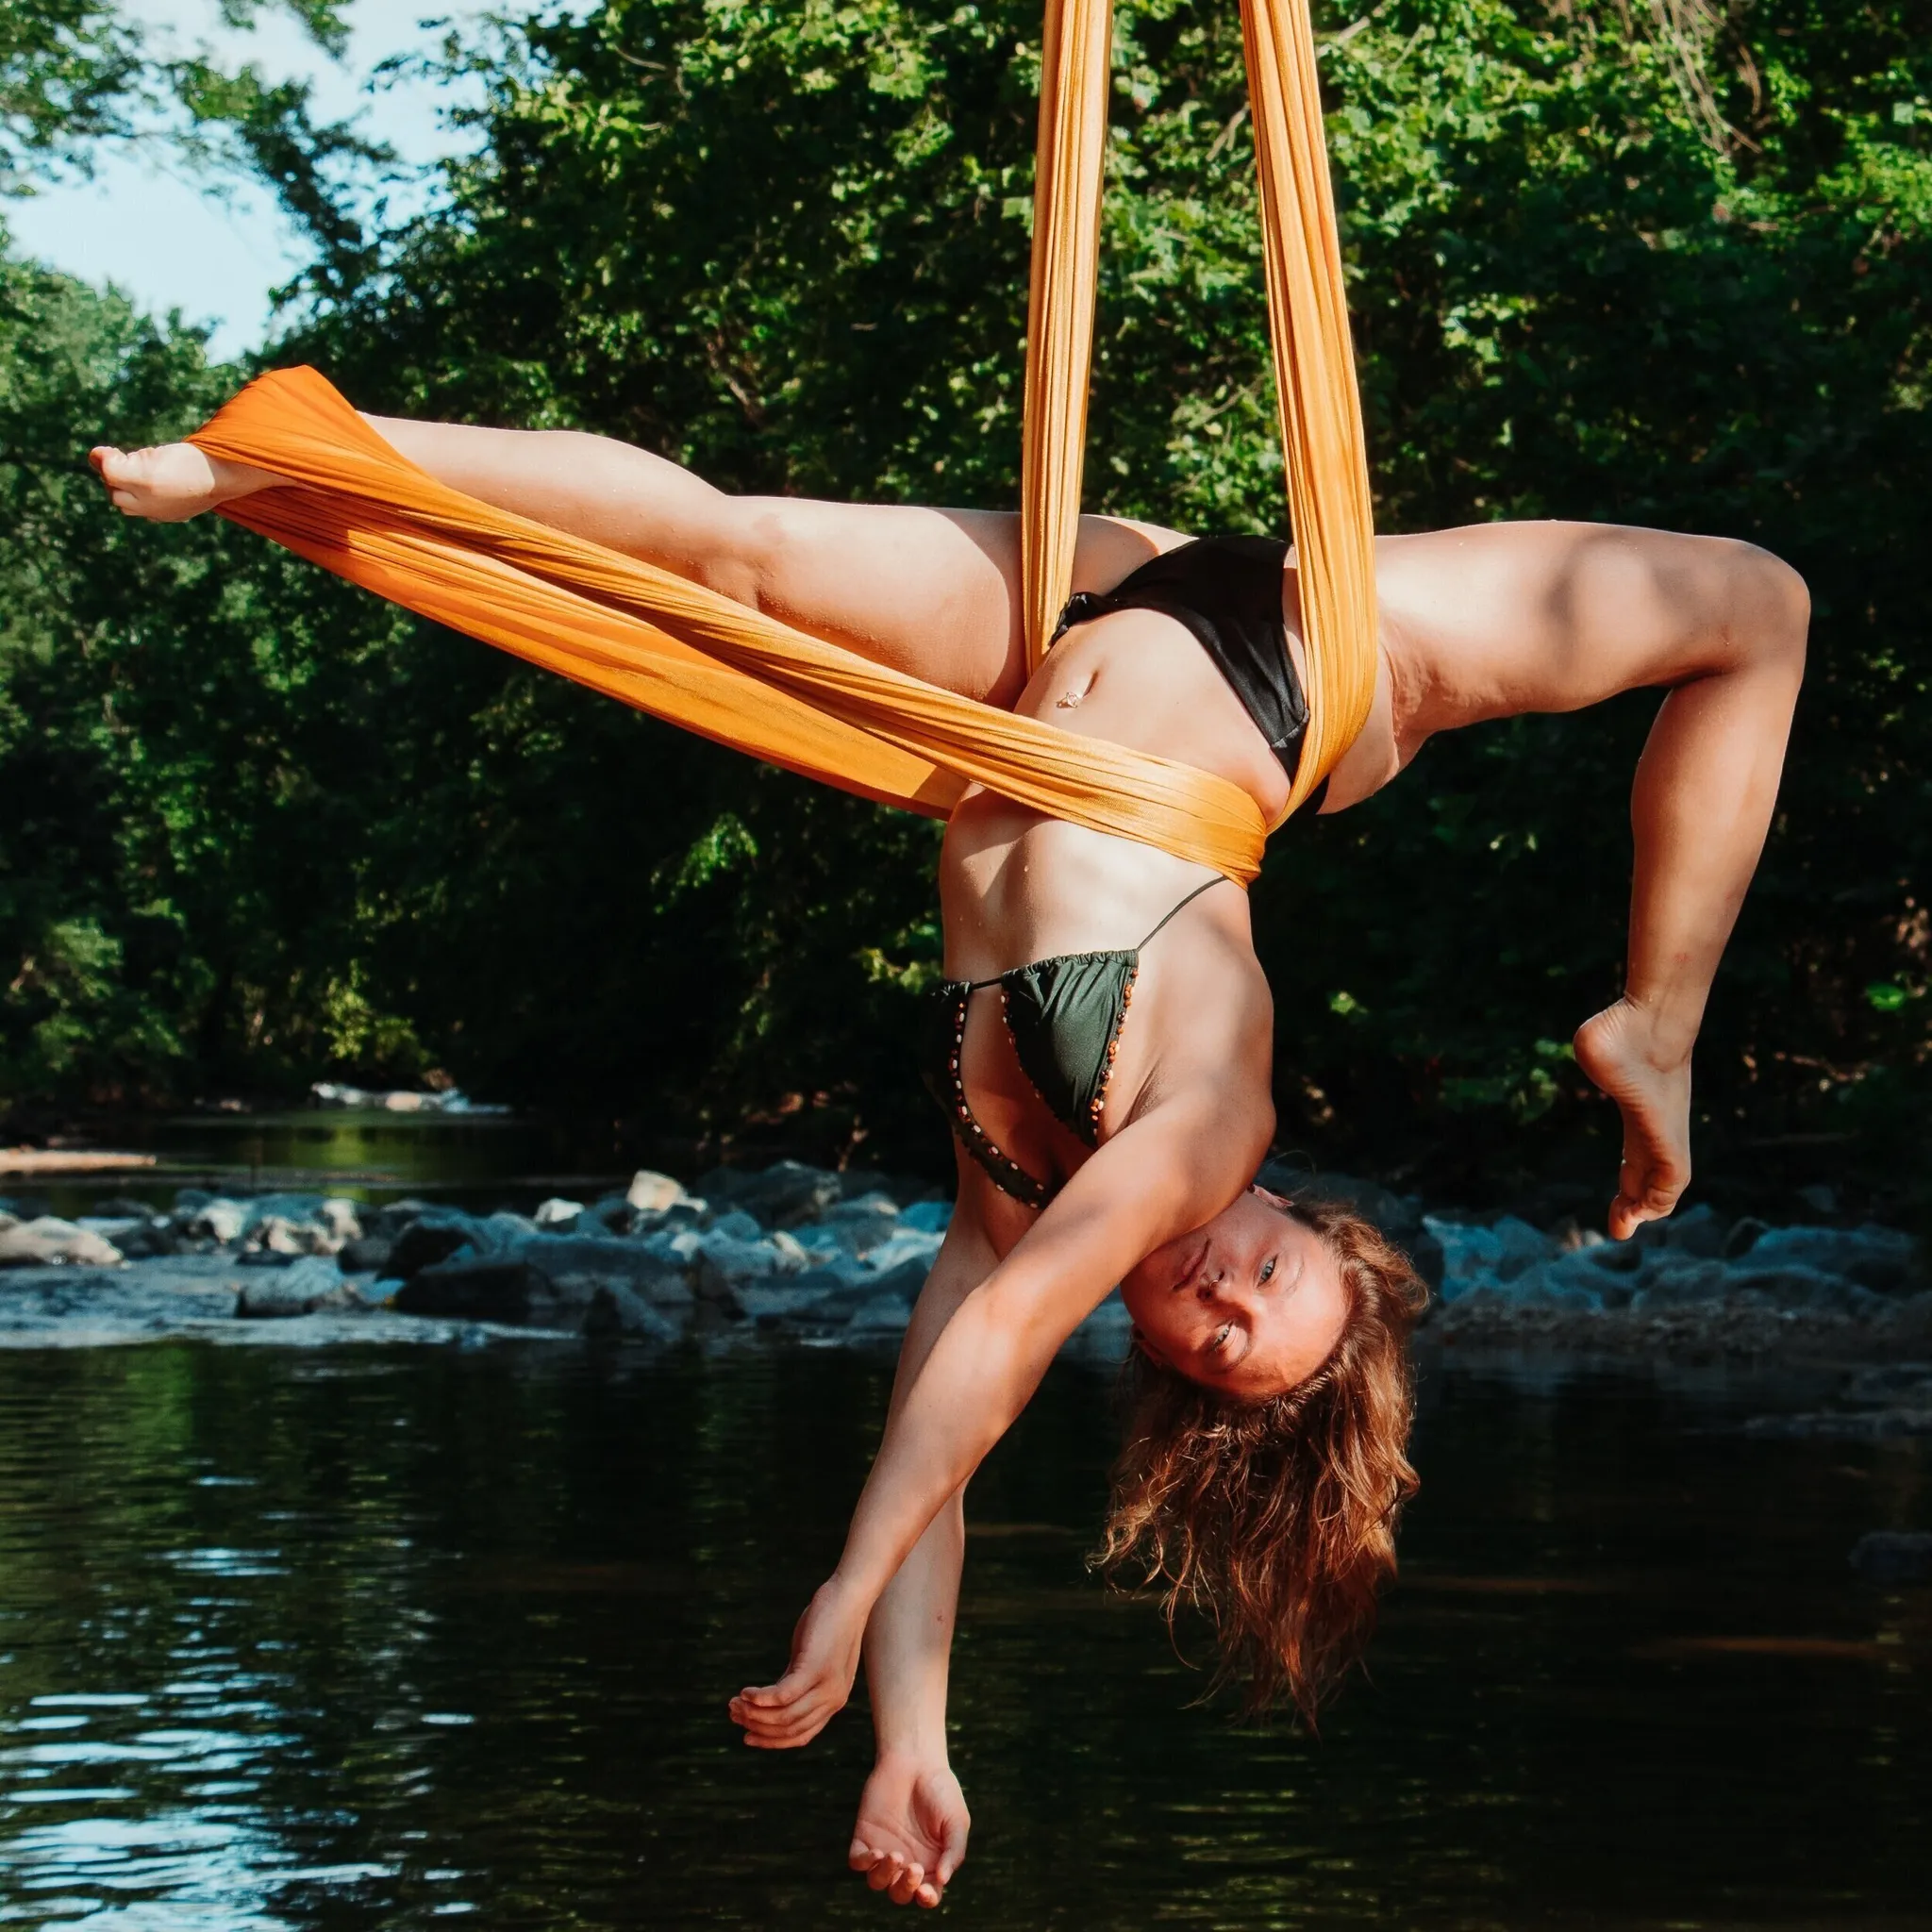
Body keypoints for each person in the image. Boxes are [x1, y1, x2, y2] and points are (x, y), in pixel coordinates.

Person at [91, 418, 1807, 1907]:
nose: (1221, 1287)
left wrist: (909, 1737)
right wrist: (838, 1592)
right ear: (1306, 1220)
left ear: (1153, 1344)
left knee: (736, 558)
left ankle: (271, 473)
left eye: (1212, 1334)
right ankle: (1656, 1023)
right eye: (1271, 1282)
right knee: (1759, 610)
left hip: (1050, 666)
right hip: (1304, 657)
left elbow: (949, 1442)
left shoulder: (1017, 1194)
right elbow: (996, 1351)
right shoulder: (1212, 1123)